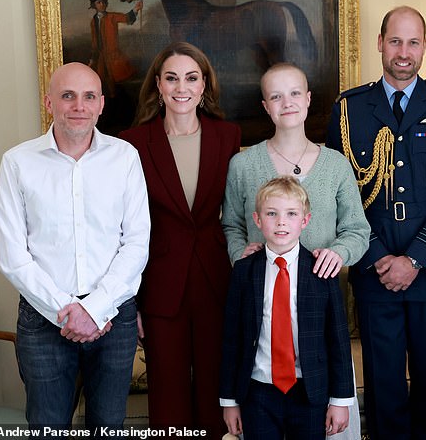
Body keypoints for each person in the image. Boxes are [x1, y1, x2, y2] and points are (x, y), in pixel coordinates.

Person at [326, 5, 426, 439]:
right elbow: (343, 194)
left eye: (413, 42)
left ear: (424, 46)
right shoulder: (348, 110)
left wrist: (414, 260)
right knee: (383, 388)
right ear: (379, 43)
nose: (404, 52)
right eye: (395, 41)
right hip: (375, 276)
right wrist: (378, 258)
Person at [0, 62, 150, 431]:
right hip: (43, 321)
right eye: (68, 96)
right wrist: (68, 312)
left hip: (113, 316)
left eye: (88, 96)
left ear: (101, 105)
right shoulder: (17, 162)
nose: (78, 105)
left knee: (109, 427)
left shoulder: (124, 157)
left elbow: (137, 243)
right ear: (50, 102)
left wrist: (94, 309)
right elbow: (13, 256)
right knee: (47, 427)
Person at [221, 62, 369, 439]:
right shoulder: (243, 164)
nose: (286, 103)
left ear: (307, 99)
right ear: (265, 106)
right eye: (275, 96)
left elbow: (357, 230)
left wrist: (338, 253)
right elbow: (232, 224)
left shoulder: (336, 165)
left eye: (293, 94)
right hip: (265, 292)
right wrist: (241, 252)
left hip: (316, 301)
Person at [119, 41, 241, 437]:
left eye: (191, 77)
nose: (181, 87)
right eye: (171, 78)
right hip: (158, 286)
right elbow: (123, 226)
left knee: (214, 393)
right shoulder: (133, 143)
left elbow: (238, 211)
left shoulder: (228, 136)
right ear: (158, 85)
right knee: (167, 398)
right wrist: (130, 301)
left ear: (204, 85)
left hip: (215, 281)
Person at [219, 176, 355, 439]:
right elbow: (231, 341)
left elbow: (338, 340)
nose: (281, 221)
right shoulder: (244, 272)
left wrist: (340, 400)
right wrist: (229, 401)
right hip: (257, 391)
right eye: (272, 213)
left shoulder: (322, 271)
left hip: (309, 392)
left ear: (305, 220)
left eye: (291, 213)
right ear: (258, 220)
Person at [88, 0, 143, 98]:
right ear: (94, 5)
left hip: (114, 55)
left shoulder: (112, 17)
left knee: (121, 79)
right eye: (99, 2)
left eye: (104, 2)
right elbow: (95, 42)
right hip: (101, 57)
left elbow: (127, 18)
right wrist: (92, 58)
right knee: (103, 82)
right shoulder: (93, 21)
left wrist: (136, 8)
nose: (102, 4)